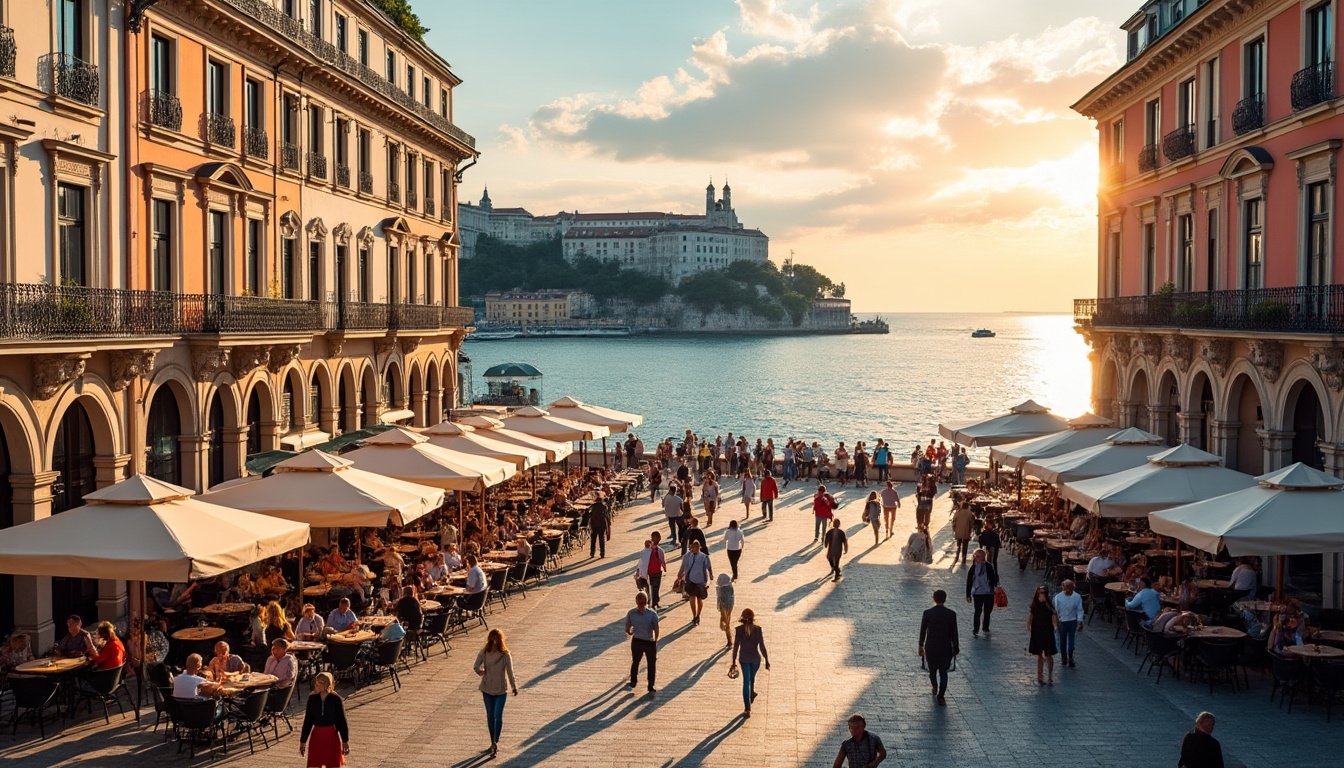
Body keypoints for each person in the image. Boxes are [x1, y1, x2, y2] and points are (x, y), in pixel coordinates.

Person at [474, 629, 519, 757]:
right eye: (492, 639)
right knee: (490, 716)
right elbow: (476, 666)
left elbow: (510, 672)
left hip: (500, 690)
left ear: (499, 640)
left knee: (497, 716)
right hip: (487, 689)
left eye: (496, 639)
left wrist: (514, 687)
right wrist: (483, 672)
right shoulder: (484, 652)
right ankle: (492, 741)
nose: (493, 642)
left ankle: (495, 740)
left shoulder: (505, 654)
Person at [918, 589, 959, 705]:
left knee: (932, 671)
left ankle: (935, 687)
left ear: (934, 599)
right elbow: (954, 633)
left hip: (931, 647)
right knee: (943, 672)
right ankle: (941, 696)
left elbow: (923, 631)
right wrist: (956, 647)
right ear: (945, 599)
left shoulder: (927, 613)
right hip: (945, 648)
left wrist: (920, 645)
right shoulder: (951, 614)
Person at [300, 671, 350, 766]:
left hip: (331, 737)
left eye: (321, 682)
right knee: (314, 764)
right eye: (316, 682)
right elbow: (308, 721)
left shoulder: (336, 700)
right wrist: (303, 741)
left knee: (332, 763)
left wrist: (345, 741)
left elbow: (342, 721)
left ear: (328, 684)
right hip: (316, 737)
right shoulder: (312, 699)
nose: (317, 684)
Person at [729, 608, 770, 717]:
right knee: (751, 679)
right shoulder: (758, 629)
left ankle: (747, 708)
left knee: (746, 681)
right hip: (756, 659)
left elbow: (736, 647)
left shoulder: (739, 630)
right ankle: (751, 692)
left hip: (744, 659)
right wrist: (766, 660)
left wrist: (733, 661)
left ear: (742, 618)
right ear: (753, 618)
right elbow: (762, 646)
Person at [625, 592, 660, 694]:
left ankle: (650, 685)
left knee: (651, 664)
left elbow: (656, 627)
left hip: (649, 642)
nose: (641, 605)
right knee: (635, 661)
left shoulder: (652, 614)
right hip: (637, 641)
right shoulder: (631, 613)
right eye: (639, 603)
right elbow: (627, 626)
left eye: (643, 603)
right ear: (636, 602)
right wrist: (629, 632)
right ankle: (633, 681)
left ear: (646, 602)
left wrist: (656, 639)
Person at [1027, 585, 1059, 685]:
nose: (1042, 595)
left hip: (1048, 632)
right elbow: (1030, 618)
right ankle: (1040, 676)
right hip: (1037, 632)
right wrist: (1028, 626)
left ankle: (1050, 676)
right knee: (1039, 655)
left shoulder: (1049, 606)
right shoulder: (1034, 606)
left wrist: (1055, 626)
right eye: (1040, 593)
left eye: (1043, 593)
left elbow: (1054, 616)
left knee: (1049, 655)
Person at [677, 539, 714, 625]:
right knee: (692, 598)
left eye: (694, 547)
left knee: (699, 599)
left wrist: (711, 575)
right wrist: (681, 575)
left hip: (701, 581)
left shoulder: (703, 557)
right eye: (692, 547)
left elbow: (709, 566)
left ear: (698, 547)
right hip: (691, 580)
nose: (693, 549)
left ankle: (698, 615)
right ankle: (694, 616)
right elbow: (685, 566)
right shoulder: (689, 556)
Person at [965, 548, 999, 637]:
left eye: (978, 556)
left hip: (989, 593)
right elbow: (969, 581)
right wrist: (968, 594)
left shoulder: (989, 566)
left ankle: (985, 627)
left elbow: (994, 578)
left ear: (984, 557)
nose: (976, 557)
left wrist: (993, 585)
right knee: (977, 611)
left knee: (987, 612)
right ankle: (976, 629)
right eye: (975, 556)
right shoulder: (973, 567)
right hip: (977, 593)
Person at [1053, 579, 1085, 668]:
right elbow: (1056, 611)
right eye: (1066, 589)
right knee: (1062, 641)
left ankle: (1070, 656)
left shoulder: (1077, 597)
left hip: (1072, 621)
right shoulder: (1058, 597)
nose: (1068, 591)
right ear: (1063, 588)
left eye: (1070, 589)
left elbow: (1079, 609)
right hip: (1062, 622)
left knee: (1071, 640)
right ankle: (1064, 656)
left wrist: (1079, 621)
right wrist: (1056, 623)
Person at [637, 531, 667, 609]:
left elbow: (642, 560)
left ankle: (655, 602)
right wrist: (664, 568)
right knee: (655, 587)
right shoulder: (658, 550)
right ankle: (655, 603)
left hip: (652, 572)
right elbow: (662, 561)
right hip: (655, 572)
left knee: (653, 587)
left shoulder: (649, 550)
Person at [823, 517, 849, 582]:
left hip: (831, 550)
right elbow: (845, 542)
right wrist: (846, 549)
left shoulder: (830, 531)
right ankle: (837, 571)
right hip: (838, 550)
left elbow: (826, 540)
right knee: (836, 563)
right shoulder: (841, 532)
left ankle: (837, 573)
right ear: (839, 524)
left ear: (833, 524)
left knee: (830, 559)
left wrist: (826, 545)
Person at [588, 493, 611, 558]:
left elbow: (589, 516)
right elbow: (607, 516)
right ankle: (602, 553)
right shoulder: (604, 507)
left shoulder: (592, 507)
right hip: (602, 525)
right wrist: (608, 526)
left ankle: (592, 552)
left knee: (593, 540)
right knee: (601, 539)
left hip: (594, 525)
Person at [716, 573, 735, 647]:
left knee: (726, 623)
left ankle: (729, 641)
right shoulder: (730, 588)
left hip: (723, 607)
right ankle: (729, 640)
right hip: (730, 606)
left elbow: (719, 599)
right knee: (728, 622)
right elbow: (732, 598)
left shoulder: (720, 589)